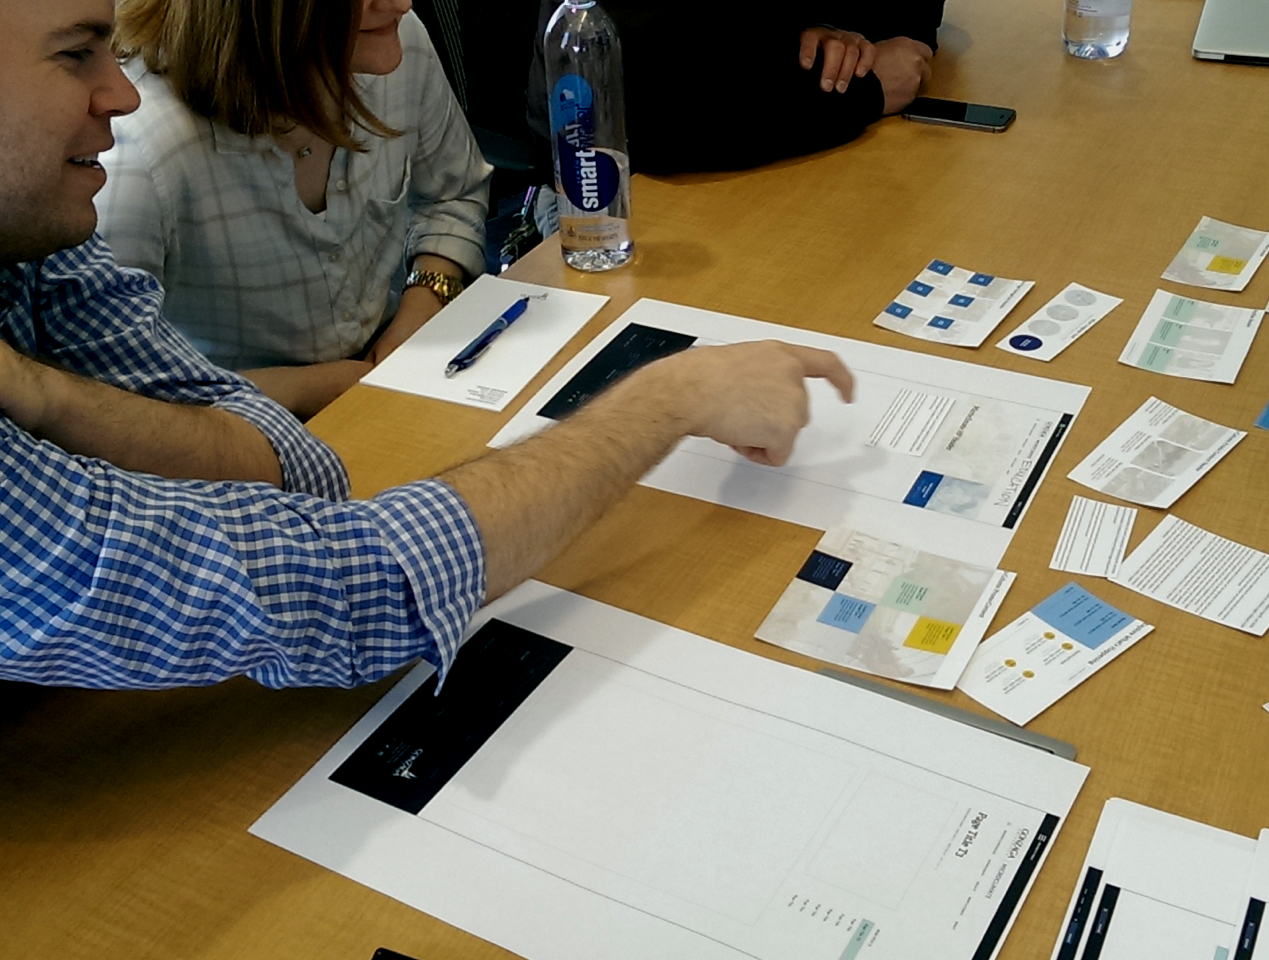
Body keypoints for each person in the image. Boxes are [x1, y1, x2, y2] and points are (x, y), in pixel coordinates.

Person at [1, 0, 854, 691]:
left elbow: (304, 469)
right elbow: (344, 593)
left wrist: (50, 398)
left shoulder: (37, 242)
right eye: (76, 55)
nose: (117, 94)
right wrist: (667, 401)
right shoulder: (124, 170)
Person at [95, 0, 490, 419]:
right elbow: (115, 401)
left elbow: (452, 194)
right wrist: (331, 386)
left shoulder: (391, 40)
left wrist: (421, 306)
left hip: (392, 372)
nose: (402, 3)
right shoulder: (138, 155)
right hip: (233, 431)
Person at [524, 0, 943, 174]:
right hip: (607, 200)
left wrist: (832, 32)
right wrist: (865, 87)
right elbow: (667, 120)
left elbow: (910, 22)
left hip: (770, 142)